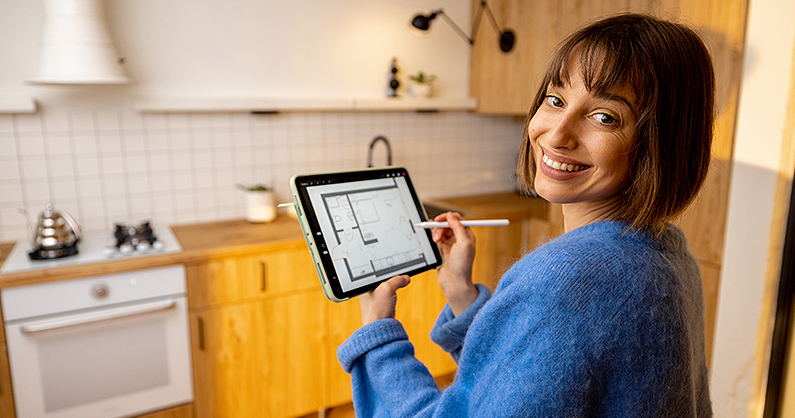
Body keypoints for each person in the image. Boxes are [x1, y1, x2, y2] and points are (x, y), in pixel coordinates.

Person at [337, 13, 714, 417]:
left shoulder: (566, 279)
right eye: (556, 100)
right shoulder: (668, 251)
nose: (556, 134)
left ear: (664, 141)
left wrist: (376, 332)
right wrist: (461, 292)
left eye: (605, 116)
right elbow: (529, 386)